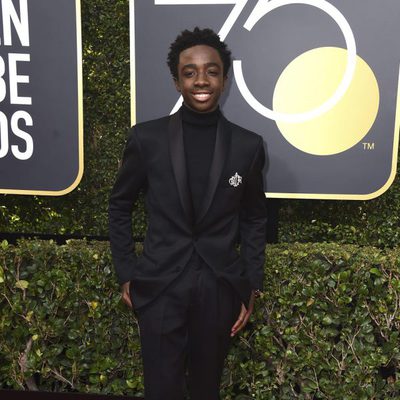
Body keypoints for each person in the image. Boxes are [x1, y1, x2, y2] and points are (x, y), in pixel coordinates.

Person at [109, 27, 267, 400]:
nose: (201, 80)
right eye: (190, 71)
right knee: (161, 390)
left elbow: (256, 218)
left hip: (219, 287)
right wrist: (127, 273)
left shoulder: (248, 146)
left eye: (211, 71)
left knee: (205, 389)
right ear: (176, 80)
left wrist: (251, 284)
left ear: (224, 80)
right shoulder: (146, 139)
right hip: (160, 286)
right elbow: (119, 205)